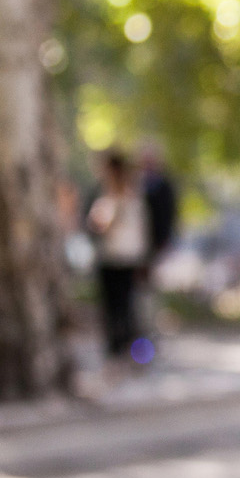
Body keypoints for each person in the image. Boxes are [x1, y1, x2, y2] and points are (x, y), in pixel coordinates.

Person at [87, 150, 149, 360]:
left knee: (125, 306)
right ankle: (117, 348)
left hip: (125, 257)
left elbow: (139, 229)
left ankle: (127, 349)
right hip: (112, 257)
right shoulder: (105, 195)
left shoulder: (130, 196)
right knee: (113, 306)